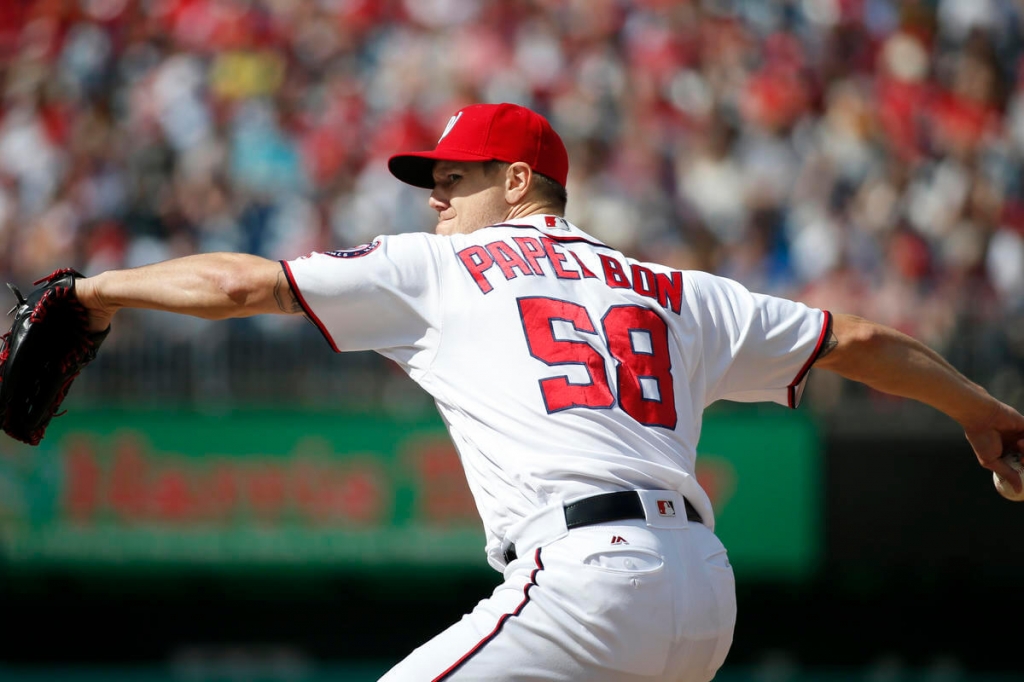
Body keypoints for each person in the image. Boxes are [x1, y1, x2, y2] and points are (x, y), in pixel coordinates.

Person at [74, 102, 1024, 682]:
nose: (434, 198)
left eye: (454, 178)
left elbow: (244, 285)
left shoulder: (441, 271)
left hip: (586, 580)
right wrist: (984, 417)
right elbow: (854, 341)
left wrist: (95, 290)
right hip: (705, 596)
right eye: (431, 183)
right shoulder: (679, 289)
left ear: (520, 180)